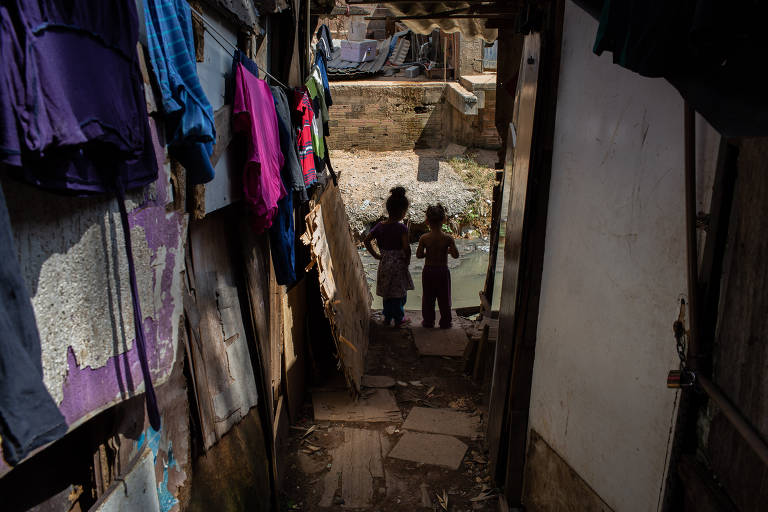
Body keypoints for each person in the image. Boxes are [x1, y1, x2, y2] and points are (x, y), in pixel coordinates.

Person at [364, 187, 414, 327]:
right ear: (403, 212)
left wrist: (376, 255)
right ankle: (399, 319)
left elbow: (367, 240)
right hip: (398, 265)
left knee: (387, 292)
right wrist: (407, 260)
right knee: (399, 293)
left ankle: (387, 317)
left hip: (385, 263)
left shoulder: (380, 226)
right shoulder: (402, 228)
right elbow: (406, 248)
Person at [416, 204, 459, 328]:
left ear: (427, 221)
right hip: (442, 271)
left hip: (429, 270)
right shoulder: (448, 238)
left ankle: (428, 321)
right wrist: (447, 251)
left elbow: (419, 255)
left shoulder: (424, 238)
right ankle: (445, 322)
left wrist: (428, 252)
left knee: (428, 297)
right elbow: (456, 255)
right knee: (444, 297)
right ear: (444, 220)